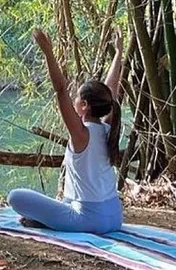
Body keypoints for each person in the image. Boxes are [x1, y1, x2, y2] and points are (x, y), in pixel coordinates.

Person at [8, 30, 124, 234]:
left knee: (15, 197)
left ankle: (51, 222)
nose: (74, 100)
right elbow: (111, 91)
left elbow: (60, 89)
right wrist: (118, 53)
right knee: (67, 200)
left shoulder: (81, 133)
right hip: (115, 217)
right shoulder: (107, 128)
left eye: (77, 98)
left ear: (85, 105)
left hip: (89, 221)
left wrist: (48, 53)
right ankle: (53, 220)